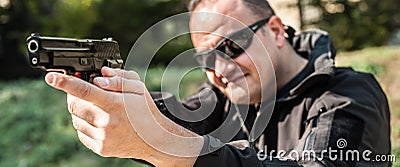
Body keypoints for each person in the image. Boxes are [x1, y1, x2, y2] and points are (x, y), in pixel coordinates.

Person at [44, 0, 392, 166]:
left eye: (231, 46)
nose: (219, 68)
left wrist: (162, 142)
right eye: (205, 58)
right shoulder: (225, 96)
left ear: (274, 30)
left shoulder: (347, 97)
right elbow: (177, 115)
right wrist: (122, 99)